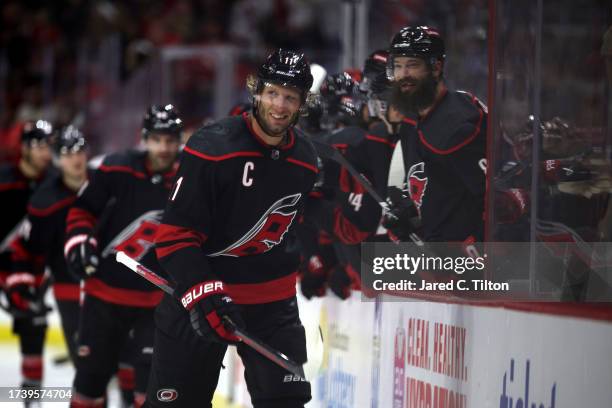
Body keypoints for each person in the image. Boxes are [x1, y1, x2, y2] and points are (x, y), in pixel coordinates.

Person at [147, 49, 318, 407]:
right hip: (200, 295)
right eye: (273, 92)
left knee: (286, 401)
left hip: (272, 306)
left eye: (290, 97)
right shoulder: (212, 147)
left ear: (303, 104)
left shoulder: (306, 160)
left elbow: (295, 229)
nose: (280, 105)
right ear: (256, 91)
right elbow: (175, 238)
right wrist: (205, 291)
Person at [64, 105, 182, 408]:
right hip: (102, 299)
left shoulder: (189, 178)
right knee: (89, 386)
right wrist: (79, 240)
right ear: (144, 138)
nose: (165, 148)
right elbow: (82, 209)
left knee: (151, 391)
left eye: (171, 140)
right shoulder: (115, 168)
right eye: (158, 139)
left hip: (156, 304)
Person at [384, 26, 487, 244]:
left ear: (436, 67)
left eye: (412, 65)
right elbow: (430, 185)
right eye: (398, 66)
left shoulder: (458, 127)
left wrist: (470, 251)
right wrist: (410, 212)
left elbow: (500, 201)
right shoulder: (412, 119)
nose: (403, 75)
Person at [10, 126, 89, 366]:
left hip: (111, 287)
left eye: (79, 151)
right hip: (67, 287)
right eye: (67, 153)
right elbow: (28, 248)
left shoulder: (106, 186)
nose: (75, 158)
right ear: (58, 158)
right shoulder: (44, 201)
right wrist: (22, 281)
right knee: (86, 370)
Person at [0, 120, 54, 407]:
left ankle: (31, 399)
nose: (47, 152)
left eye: (49, 145)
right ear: (24, 148)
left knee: (34, 323)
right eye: (40, 146)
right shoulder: (5, 181)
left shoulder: (54, 182)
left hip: (30, 270)